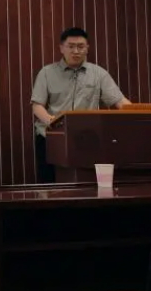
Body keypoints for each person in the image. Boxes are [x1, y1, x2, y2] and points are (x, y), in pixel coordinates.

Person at [30, 27, 131, 183]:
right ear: (61, 48)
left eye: (80, 46)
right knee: (49, 184)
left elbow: (120, 102)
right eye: (71, 46)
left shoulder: (99, 74)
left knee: (86, 183)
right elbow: (37, 105)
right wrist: (53, 122)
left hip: (88, 139)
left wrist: (137, 113)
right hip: (51, 137)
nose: (76, 51)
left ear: (87, 48)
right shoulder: (47, 72)